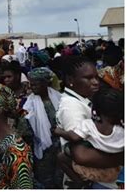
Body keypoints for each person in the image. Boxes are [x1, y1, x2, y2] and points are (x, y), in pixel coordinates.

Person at [56, 56, 123, 189]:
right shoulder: (71, 107)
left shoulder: (84, 100)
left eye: (96, 77)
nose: (95, 82)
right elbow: (81, 154)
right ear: (70, 80)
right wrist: (121, 158)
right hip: (93, 180)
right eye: (88, 78)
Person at [22, 67, 63, 188]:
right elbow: (26, 128)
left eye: (36, 84)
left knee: (60, 177)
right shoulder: (29, 104)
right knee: (45, 179)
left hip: (60, 144)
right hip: (43, 148)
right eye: (31, 84)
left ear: (46, 83)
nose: (31, 86)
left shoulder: (59, 98)